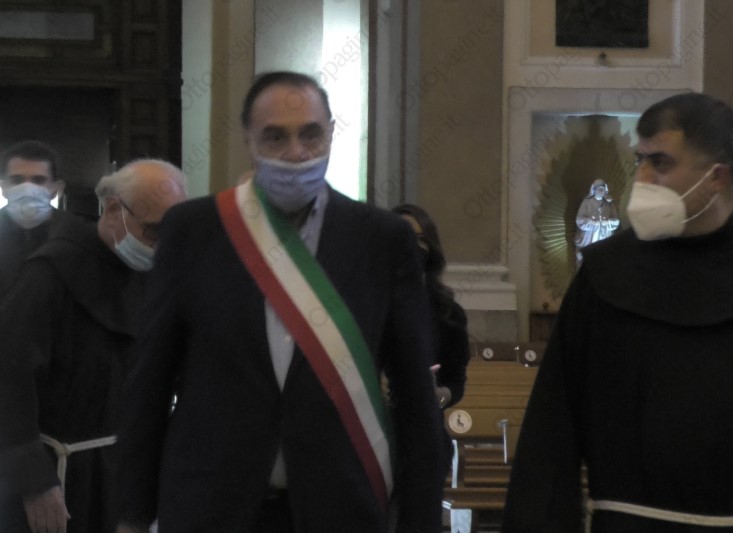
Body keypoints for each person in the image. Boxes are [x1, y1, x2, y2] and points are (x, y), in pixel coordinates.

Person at [115, 71, 445, 533]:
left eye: (311, 134)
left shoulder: (381, 240)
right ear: (248, 140)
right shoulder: (194, 231)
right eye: (275, 137)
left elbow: (415, 392)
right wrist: (132, 514)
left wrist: (421, 520)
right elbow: (149, 380)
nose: (296, 153)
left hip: (341, 510)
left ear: (331, 133)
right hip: (209, 507)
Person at [502, 92, 733, 532]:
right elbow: (553, 428)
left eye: (659, 163)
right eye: (639, 160)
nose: (640, 179)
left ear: (717, 176)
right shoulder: (606, 274)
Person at [0, 159, 188, 533]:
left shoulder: (153, 275)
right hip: (56, 475)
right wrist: (35, 481)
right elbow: (9, 382)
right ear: (114, 209)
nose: (162, 244)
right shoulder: (49, 275)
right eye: (153, 229)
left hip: (123, 470)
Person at [391, 204, 470, 412]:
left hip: (423, 420)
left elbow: (456, 383)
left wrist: (439, 395)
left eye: (420, 239)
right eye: (404, 237)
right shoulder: (368, 304)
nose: (412, 247)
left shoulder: (450, 313)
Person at [0, 140, 80, 298]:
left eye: (38, 180)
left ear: (56, 189)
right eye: (17, 180)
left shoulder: (77, 237)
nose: (27, 189)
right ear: (4, 188)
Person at [574, 178, 619, 265]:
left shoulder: (609, 203)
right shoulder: (586, 202)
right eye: (599, 188)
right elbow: (579, 219)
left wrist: (607, 222)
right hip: (590, 235)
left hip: (605, 234)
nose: (601, 190)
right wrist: (592, 222)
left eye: (603, 188)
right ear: (594, 190)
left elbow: (616, 221)